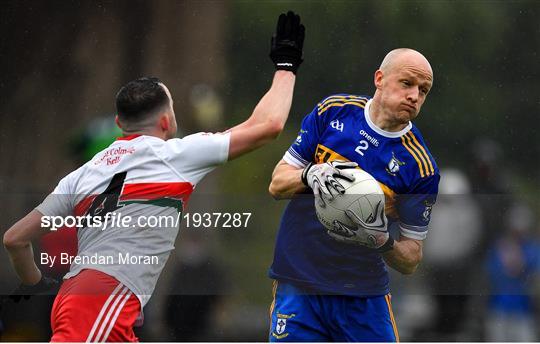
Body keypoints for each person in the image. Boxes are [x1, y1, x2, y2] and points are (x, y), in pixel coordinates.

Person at [3, 11, 305, 342]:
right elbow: (268, 126)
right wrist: (286, 67)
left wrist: (35, 283)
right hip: (105, 297)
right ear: (166, 121)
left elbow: (15, 238)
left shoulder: (82, 173)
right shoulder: (174, 154)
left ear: (119, 124)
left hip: (82, 296)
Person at [268, 48, 440, 342]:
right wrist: (310, 175)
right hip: (298, 283)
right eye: (407, 83)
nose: (415, 95)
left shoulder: (419, 166)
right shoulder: (334, 110)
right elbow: (276, 184)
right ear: (380, 79)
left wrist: (381, 240)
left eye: (423, 90)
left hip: (362, 296)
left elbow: (411, 258)